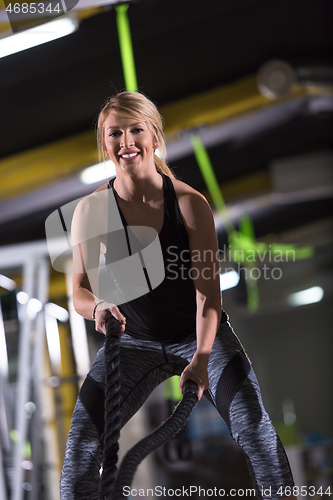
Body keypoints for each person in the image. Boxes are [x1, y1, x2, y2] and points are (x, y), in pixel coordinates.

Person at [60, 91, 296, 499]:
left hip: (199, 335)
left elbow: (209, 297)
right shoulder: (91, 211)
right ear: (105, 143)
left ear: (153, 136)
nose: (126, 142)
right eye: (115, 133)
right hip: (134, 342)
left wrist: (202, 358)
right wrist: (98, 305)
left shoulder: (189, 204)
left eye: (136, 130)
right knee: (81, 447)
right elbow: (77, 292)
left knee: (255, 431)